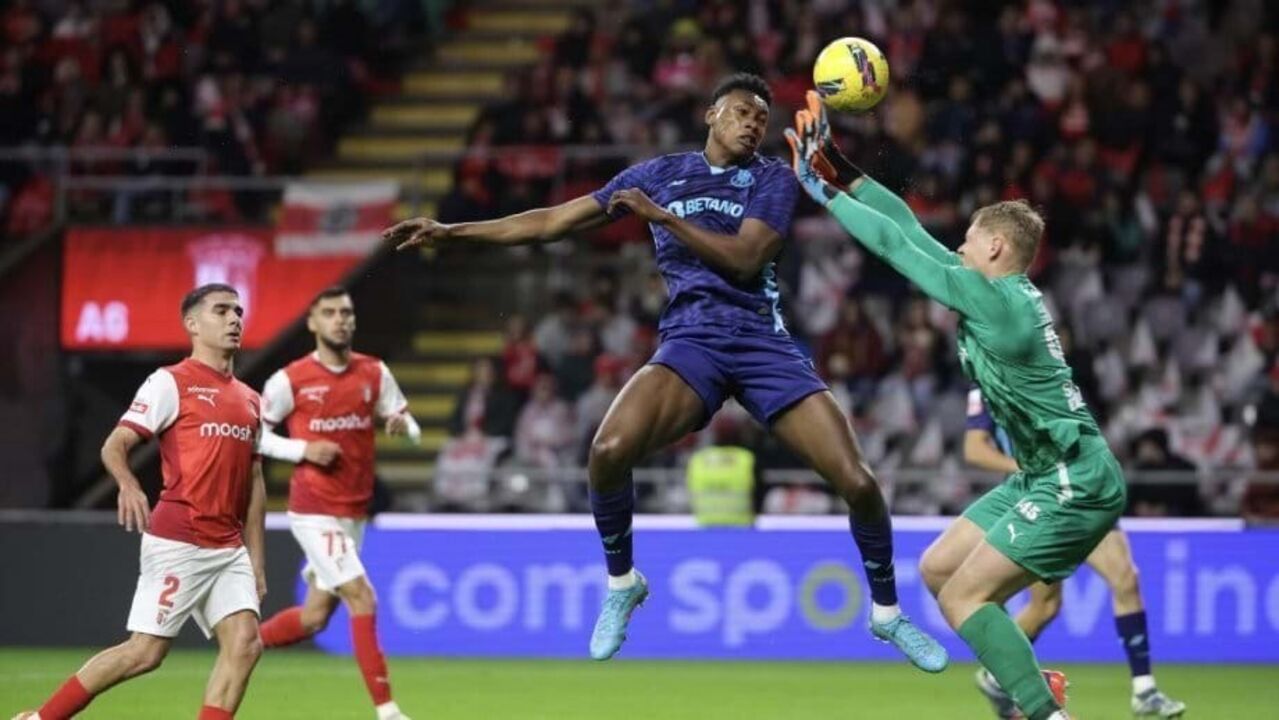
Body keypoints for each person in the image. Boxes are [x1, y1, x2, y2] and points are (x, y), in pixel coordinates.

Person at [384, 73, 946, 670]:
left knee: (858, 481)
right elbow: (552, 221)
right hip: (691, 345)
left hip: (762, 344)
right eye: (741, 111)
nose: (753, 122)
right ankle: (622, 582)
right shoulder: (656, 174)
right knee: (607, 449)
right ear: (710, 115)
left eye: (761, 115)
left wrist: (662, 218)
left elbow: (746, 257)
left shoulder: (773, 179)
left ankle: (888, 615)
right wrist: (453, 232)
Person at [787, 90, 1123, 720]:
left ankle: (1041, 711)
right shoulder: (995, 293)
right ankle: (1025, 680)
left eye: (969, 239)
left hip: (1073, 480)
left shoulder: (997, 303)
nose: (960, 247)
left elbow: (895, 248)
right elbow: (908, 226)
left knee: (964, 598)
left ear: (996, 248)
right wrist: (839, 165)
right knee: (941, 569)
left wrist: (823, 192)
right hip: (1043, 473)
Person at [15, 284, 267, 720]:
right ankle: (42, 718)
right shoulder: (171, 381)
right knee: (145, 652)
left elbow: (256, 481)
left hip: (228, 547)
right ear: (192, 324)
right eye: (222, 311)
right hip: (180, 539)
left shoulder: (250, 399)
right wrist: (128, 484)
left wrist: (257, 558)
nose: (234, 319)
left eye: (238, 311)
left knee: (245, 643)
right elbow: (116, 444)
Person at [966, 388, 1187, 719]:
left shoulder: (1052, 373)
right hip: (1040, 498)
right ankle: (996, 675)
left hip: (1083, 490)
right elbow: (974, 450)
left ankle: (1145, 690)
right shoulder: (989, 383)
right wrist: (1024, 466)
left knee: (1126, 577)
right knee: (1045, 607)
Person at [254, 286, 418, 720]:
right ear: (312, 322)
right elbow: (255, 433)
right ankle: (388, 711)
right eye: (329, 313)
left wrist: (404, 424)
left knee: (312, 618)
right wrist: (301, 450)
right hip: (313, 510)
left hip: (354, 513)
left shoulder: (374, 372)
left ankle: (246, 641)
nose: (340, 320)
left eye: (346, 312)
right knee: (362, 597)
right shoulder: (289, 380)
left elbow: (408, 421)